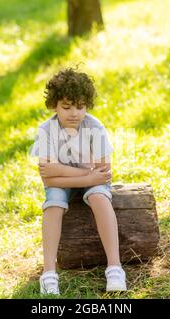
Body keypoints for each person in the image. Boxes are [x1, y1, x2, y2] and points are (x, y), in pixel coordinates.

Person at [30, 68, 127, 295]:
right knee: (53, 201)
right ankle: (49, 273)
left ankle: (115, 268)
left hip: (88, 181)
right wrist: (87, 174)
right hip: (67, 183)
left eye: (80, 106)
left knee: (99, 195)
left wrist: (76, 174)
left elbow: (104, 173)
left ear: (87, 105)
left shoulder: (94, 127)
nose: (74, 113)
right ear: (54, 105)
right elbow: (47, 176)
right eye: (66, 106)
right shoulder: (46, 130)